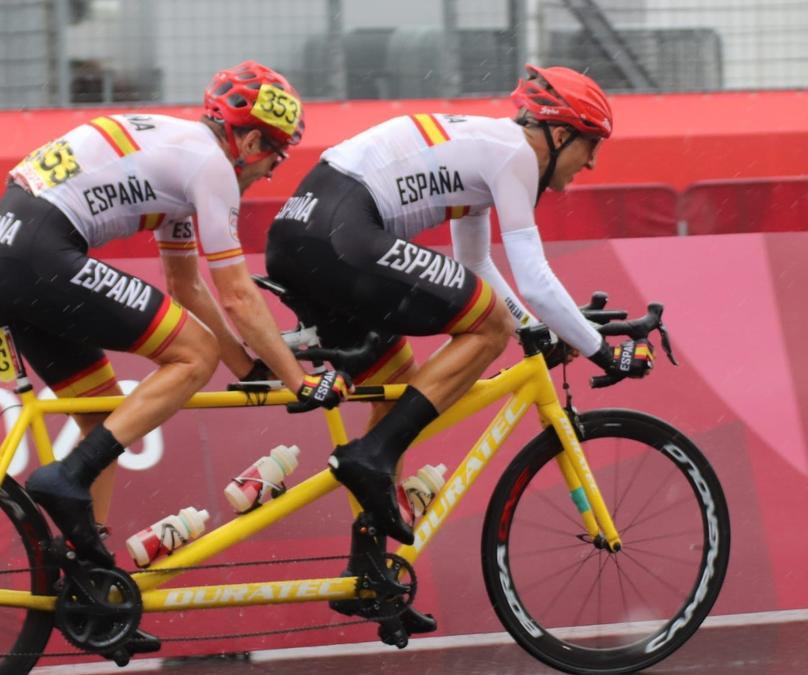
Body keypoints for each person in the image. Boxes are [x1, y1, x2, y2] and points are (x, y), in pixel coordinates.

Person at [0, 61, 350, 570]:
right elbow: (235, 294)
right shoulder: (212, 168)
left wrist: (249, 369)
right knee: (194, 353)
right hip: (38, 251)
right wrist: (299, 381)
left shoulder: (181, 153)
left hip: (4, 249)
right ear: (253, 143)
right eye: (277, 154)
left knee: (101, 412)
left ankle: (89, 571)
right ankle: (68, 475)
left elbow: (186, 286)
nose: (273, 170)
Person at [265, 65, 653, 548]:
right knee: (488, 326)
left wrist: (538, 330)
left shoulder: (489, 148)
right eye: (590, 144)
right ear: (558, 134)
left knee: (397, 381)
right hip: (339, 231)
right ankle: (370, 457)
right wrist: (602, 351)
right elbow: (532, 281)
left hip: (300, 231)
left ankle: (372, 573)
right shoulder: (516, 156)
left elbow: (476, 263)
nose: (591, 162)